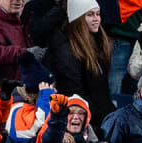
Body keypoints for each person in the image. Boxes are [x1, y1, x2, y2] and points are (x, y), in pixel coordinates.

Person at [44, 0, 117, 128]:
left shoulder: (98, 44)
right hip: (84, 121)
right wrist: (103, 117)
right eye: (90, 15)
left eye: (98, 14)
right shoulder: (66, 50)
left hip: (101, 117)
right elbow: (75, 92)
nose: (96, 19)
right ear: (78, 18)